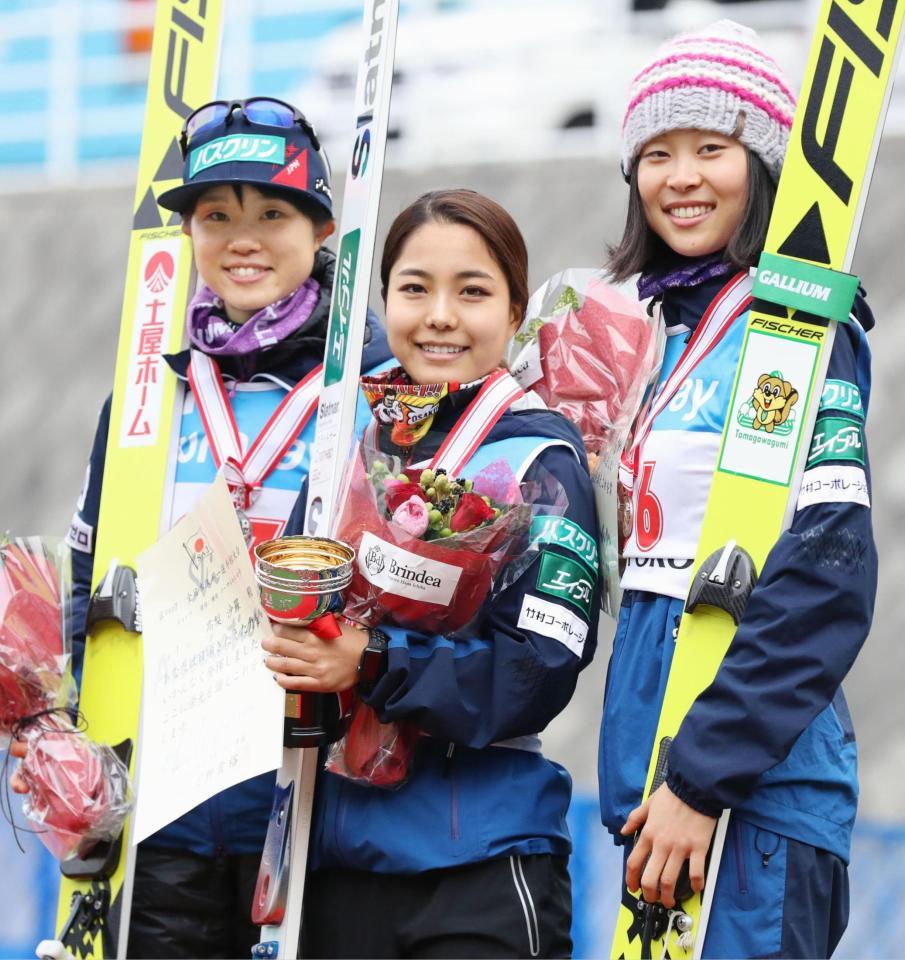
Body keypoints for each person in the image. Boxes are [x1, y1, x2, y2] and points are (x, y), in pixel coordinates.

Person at [12, 97, 392, 958]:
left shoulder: (376, 385)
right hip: (167, 816)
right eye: (215, 216)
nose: (241, 237)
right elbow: (90, 581)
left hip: (326, 807)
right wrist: (72, 749)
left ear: (324, 225)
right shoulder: (148, 396)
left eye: (271, 213)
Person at [599, 21, 877, 958]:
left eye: (710, 149)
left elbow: (826, 573)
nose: (680, 176)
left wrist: (699, 778)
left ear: (759, 164)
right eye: (655, 153)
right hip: (655, 781)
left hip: (752, 787)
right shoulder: (643, 336)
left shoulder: (797, 328)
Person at [265, 189, 600, 959]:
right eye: (414, 288)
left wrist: (375, 659)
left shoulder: (540, 460)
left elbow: (539, 671)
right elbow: (292, 592)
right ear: (384, 302)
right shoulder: (349, 439)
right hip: (333, 858)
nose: (440, 315)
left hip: (477, 864)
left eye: (472, 291)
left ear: (514, 313)